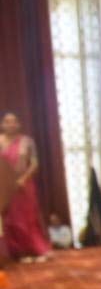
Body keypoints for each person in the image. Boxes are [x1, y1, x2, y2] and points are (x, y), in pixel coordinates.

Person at [0, 112, 52, 262]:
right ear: (2, 125)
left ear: (18, 124)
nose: (11, 124)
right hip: (5, 188)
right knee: (9, 220)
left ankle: (32, 250)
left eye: (14, 121)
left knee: (26, 219)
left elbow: (35, 163)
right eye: (7, 121)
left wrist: (23, 179)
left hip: (24, 186)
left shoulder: (27, 142)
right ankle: (16, 252)